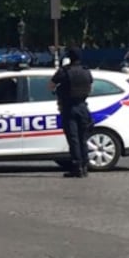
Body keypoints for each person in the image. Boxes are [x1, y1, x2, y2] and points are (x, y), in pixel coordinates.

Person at [48, 46, 93, 178]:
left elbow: (50, 85)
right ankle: (85, 166)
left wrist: (58, 91)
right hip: (83, 107)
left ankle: (77, 166)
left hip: (69, 108)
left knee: (73, 139)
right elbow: (90, 88)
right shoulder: (86, 72)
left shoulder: (64, 71)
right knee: (83, 138)